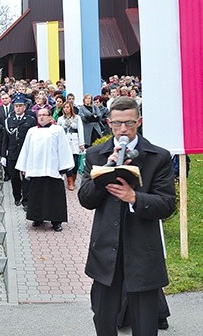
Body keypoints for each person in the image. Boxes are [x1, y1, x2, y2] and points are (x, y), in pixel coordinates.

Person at [78, 97, 176, 336]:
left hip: (143, 251)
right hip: (105, 252)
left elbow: (166, 204)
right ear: (109, 123)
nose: (123, 129)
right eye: (118, 123)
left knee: (144, 324)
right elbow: (85, 200)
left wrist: (135, 198)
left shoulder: (158, 157)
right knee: (103, 319)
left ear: (139, 122)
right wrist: (105, 173)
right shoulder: (96, 155)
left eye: (129, 123)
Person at [16, 108, 74, 231]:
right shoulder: (32, 131)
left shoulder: (57, 130)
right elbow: (26, 149)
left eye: (44, 115)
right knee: (37, 195)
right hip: (36, 168)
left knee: (54, 196)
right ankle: (37, 218)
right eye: (39, 115)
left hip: (53, 168)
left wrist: (63, 167)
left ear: (50, 117)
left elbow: (63, 148)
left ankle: (56, 221)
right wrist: (24, 167)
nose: (41, 117)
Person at [2, 96, 37, 208]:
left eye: (20, 106)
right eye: (16, 106)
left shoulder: (30, 120)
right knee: (14, 177)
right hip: (13, 153)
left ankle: (26, 200)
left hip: (26, 152)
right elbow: (5, 139)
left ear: (24, 107)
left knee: (26, 177)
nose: (18, 108)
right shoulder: (9, 120)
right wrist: (3, 155)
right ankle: (17, 197)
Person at [57, 102, 85, 191]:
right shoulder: (60, 119)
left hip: (75, 142)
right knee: (68, 162)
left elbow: (80, 130)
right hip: (65, 141)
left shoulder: (77, 118)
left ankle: (74, 178)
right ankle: (70, 181)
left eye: (68, 107)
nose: (66, 109)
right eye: (64, 107)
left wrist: (82, 143)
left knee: (75, 163)